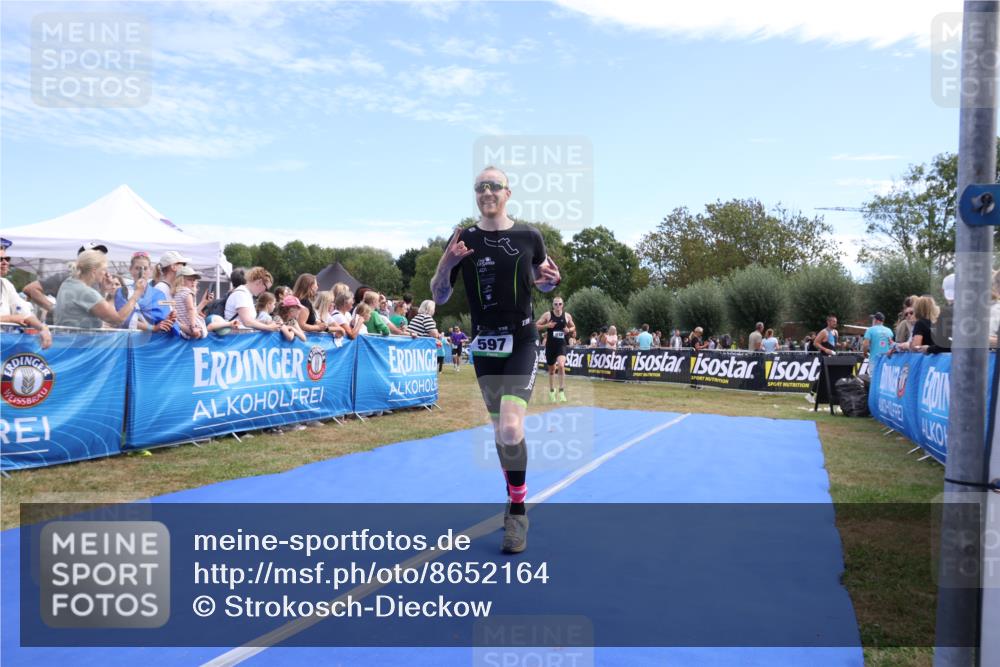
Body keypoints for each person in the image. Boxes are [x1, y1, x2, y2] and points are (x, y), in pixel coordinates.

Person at [430, 166, 560, 554]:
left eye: (494, 186)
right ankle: (514, 494)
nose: (486, 192)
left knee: (509, 428)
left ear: (508, 192)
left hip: (521, 339)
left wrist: (550, 281)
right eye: (480, 187)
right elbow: (438, 296)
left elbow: (546, 278)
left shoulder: (529, 235)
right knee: (501, 433)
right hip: (486, 345)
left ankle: (517, 512)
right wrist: (447, 264)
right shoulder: (463, 238)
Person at [54, 250, 147, 329]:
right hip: (81, 347)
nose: (105, 273)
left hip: (66, 343)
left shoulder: (68, 282)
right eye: (103, 269)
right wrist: (137, 294)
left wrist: (102, 289)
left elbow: (94, 307)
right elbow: (118, 319)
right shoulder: (87, 293)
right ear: (94, 271)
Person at [21, 241, 109, 317]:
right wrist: (53, 309)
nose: (101, 257)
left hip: (84, 333)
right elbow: (30, 289)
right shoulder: (66, 277)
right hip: (62, 332)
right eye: (96, 254)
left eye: (101, 254)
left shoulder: (99, 281)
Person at [0, 243, 52, 349]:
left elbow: (25, 313)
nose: (5, 262)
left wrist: (42, 328)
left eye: (7, 259)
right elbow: (16, 317)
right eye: (0, 259)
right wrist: (10, 318)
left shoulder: (6, 284)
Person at [536, 296, 576, 403]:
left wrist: (569, 329)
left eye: (560, 304)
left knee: (562, 365)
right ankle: (551, 391)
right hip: (550, 346)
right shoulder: (548, 315)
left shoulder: (567, 316)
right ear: (552, 305)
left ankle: (561, 391)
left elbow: (573, 327)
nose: (558, 306)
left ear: (563, 305)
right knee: (552, 370)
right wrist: (547, 325)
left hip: (561, 345)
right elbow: (536, 325)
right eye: (555, 304)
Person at [224, 267, 281, 332]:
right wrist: (268, 327)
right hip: (236, 339)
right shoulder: (241, 294)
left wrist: (266, 322)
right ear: (259, 282)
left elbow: (246, 321)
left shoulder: (246, 294)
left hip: (239, 338)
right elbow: (247, 322)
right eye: (266, 288)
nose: (265, 292)